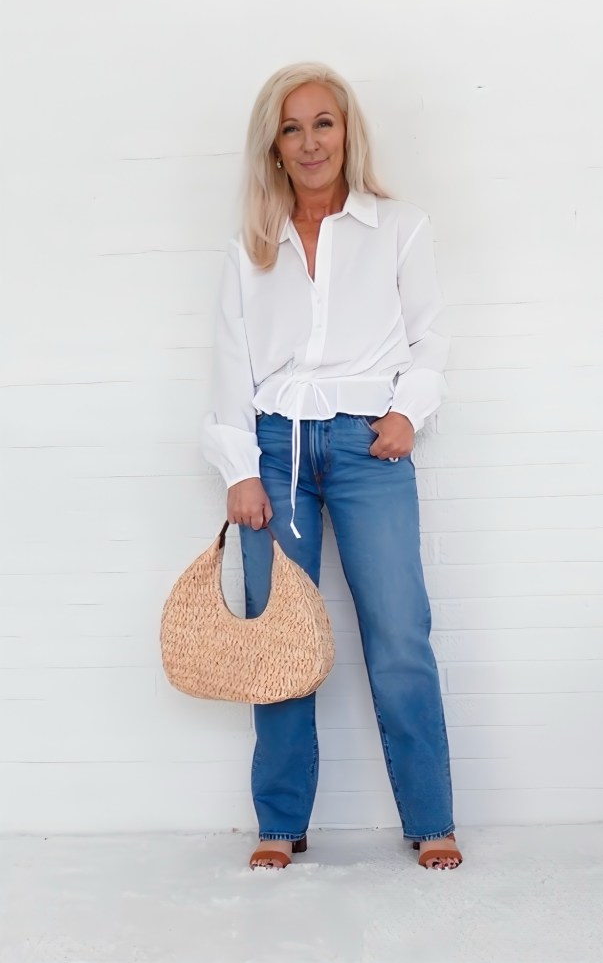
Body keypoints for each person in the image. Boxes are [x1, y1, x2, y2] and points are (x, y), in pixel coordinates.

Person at [201, 62, 462, 871]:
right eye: (291, 127)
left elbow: (432, 337)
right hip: (275, 451)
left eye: (324, 123)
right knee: (278, 638)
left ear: (347, 134)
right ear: (273, 148)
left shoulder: (399, 226)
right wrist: (239, 468)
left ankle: (430, 818)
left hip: (366, 446)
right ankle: (281, 820)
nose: (310, 141)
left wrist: (405, 413)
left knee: (399, 634)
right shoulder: (251, 248)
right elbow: (228, 362)